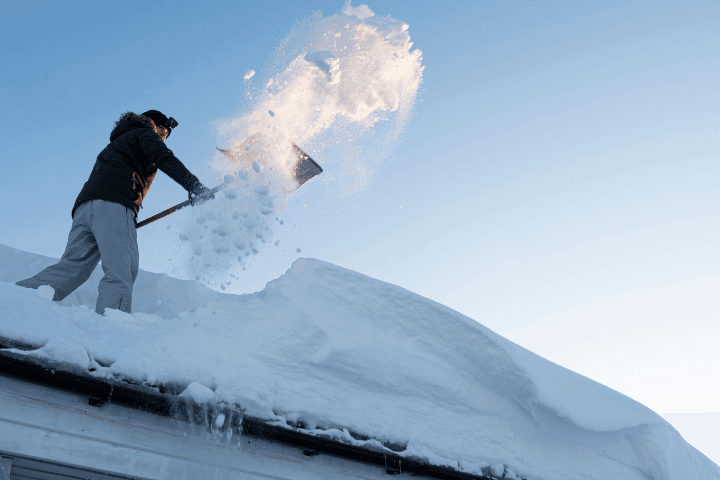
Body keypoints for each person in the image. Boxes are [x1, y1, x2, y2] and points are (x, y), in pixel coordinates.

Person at [16, 110, 213, 315]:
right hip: (114, 205)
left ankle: (16, 299)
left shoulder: (117, 143)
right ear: (153, 124)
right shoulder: (145, 134)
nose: (163, 138)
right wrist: (194, 186)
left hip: (85, 207)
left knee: (72, 267)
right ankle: (113, 324)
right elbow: (164, 158)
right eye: (163, 131)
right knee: (121, 270)